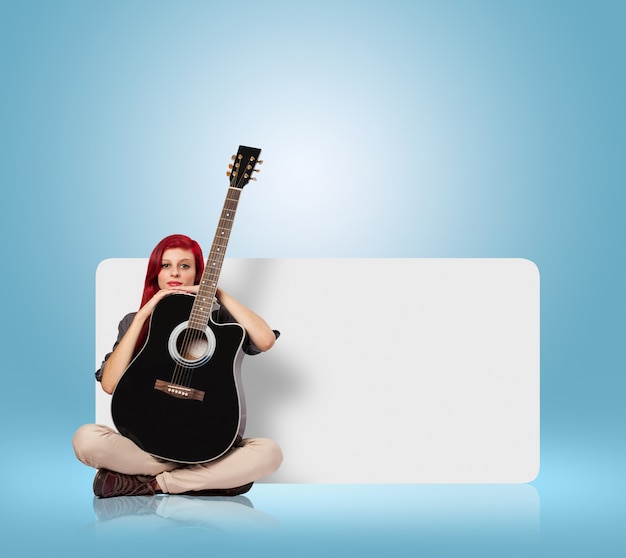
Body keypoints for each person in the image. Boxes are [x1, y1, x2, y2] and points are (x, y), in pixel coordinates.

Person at [73, 234, 283, 498]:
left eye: (184, 266)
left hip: (212, 443)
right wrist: (144, 315)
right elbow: (110, 384)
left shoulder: (222, 320)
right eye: (165, 266)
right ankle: (207, 479)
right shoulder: (135, 321)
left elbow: (264, 341)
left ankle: (150, 484)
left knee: (269, 454)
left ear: (198, 274)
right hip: (146, 445)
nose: (174, 273)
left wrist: (217, 292)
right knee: (85, 439)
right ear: (155, 274)